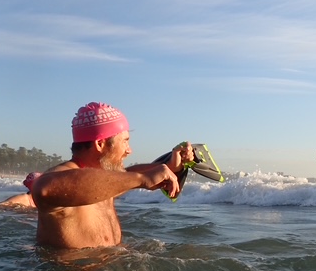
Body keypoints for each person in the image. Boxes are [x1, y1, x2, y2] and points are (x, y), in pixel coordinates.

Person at [31, 102, 194, 250]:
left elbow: (125, 175)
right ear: (100, 144)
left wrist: (171, 166)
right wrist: (141, 179)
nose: (129, 150)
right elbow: (44, 190)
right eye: (125, 141)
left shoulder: (105, 178)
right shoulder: (64, 175)